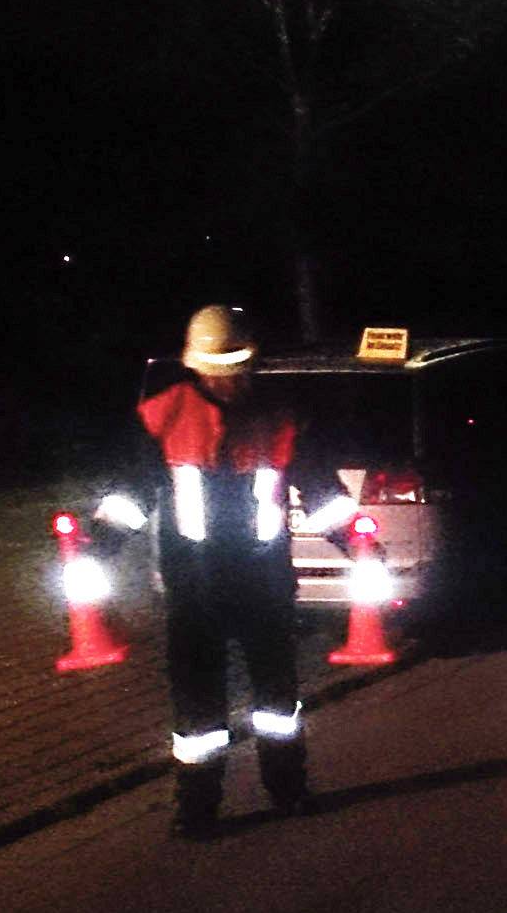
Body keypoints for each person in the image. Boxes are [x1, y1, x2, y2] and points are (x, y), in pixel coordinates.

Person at [132, 305, 356, 837]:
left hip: (264, 586)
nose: (226, 380)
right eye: (216, 369)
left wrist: (354, 539)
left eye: (234, 369)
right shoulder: (163, 416)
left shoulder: (280, 417)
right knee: (197, 716)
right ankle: (198, 811)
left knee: (278, 704)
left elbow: (320, 487)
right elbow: (131, 490)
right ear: (195, 366)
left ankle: (288, 791)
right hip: (194, 590)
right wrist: (101, 543)